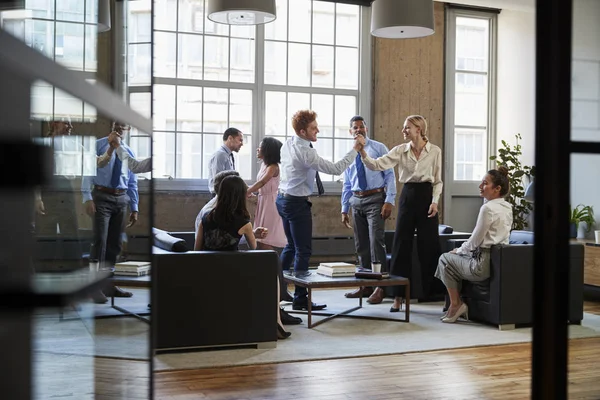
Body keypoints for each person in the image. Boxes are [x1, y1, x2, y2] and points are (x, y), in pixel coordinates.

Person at [355, 115, 443, 312]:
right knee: (401, 245)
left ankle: (435, 294)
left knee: (429, 246)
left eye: (407, 128)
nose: (403, 131)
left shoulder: (435, 151)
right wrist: (362, 153)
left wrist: (435, 202)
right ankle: (398, 296)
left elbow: (438, 181)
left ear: (419, 129)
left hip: (427, 197)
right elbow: (376, 165)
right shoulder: (399, 150)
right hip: (408, 195)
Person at [277, 109, 359, 311]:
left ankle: (275, 290)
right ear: (303, 131)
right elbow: (336, 169)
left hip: (282, 200)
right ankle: (300, 299)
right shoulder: (306, 152)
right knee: (303, 251)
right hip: (296, 204)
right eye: (314, 127)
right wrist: (355, 149)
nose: (318, 130)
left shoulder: (288, 143)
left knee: (291, 247)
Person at [194, 175, 291, 339]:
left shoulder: (206, 218)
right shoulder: (243, 222)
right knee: (271, 268)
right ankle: (277, 322)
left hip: (208, 270)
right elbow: (254, 250)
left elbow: (197, 249)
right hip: (233, 273)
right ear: (239, 196)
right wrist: (252, 235)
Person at [435, 167, 513, 323]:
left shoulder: (488, 209)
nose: (480, 186)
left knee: (445, 259)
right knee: (450, 261)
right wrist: (462, 251)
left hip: (481, 265)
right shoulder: (507, 207)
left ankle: (456, 305)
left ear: (497, 189)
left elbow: (476, 240)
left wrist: (459, 250)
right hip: (496, 262)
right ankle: (454, 305)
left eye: (485, 183)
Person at [82, 121, 139, 304]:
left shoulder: (128, 152)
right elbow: (87, 172)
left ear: (128, 129)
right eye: (118, 124)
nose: (121, 128)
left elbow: (132, 182)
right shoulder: (98, 145)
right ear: (112, 126)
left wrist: (134, 207)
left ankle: (108, 285)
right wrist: (87, 197)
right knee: (100, 242)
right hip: (101, 197)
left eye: (125, 126)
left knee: (114, 245)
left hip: (121, 200)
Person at [341, 116, 396, 303]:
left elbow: (390, 175)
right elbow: (347, 184)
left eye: (361, 127)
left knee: (375, 242)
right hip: (356, 200)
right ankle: (365, 285)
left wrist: (389, 200)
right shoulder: (349, 152)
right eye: (355, 128)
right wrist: (344, 207)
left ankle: (380, 287)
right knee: (361, 245)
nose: (359, 130)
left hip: (375, 199)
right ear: (350, 131)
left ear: (366, 128)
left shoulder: (378, 148)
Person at [207, 127, 244, 196]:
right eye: (240, 140)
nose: (242, 144)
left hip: (226, 194)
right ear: (230, 138)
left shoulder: (228, 155)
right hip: (220, 195)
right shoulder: (220, 155)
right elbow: (218, 180)